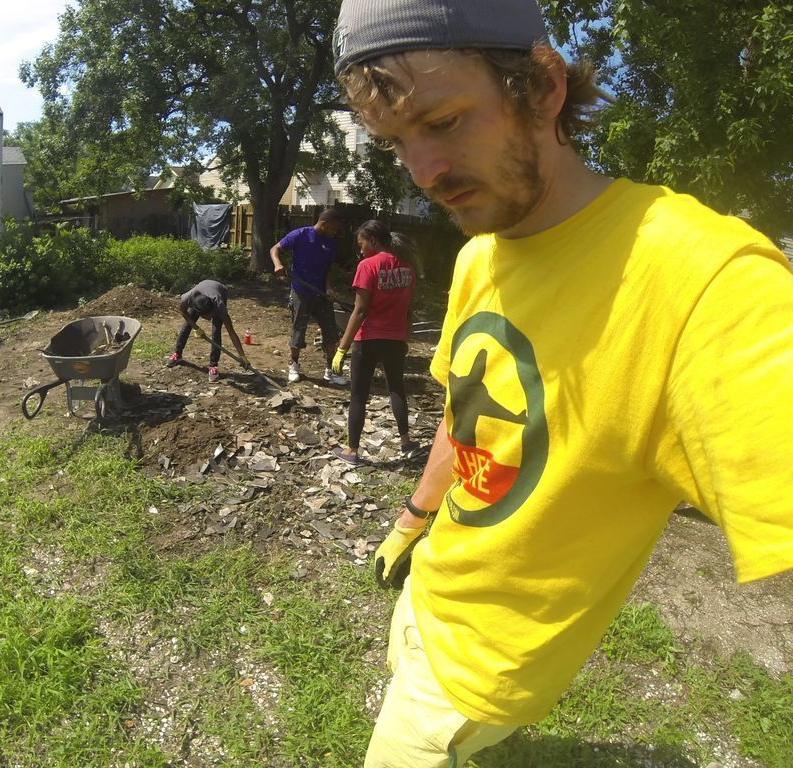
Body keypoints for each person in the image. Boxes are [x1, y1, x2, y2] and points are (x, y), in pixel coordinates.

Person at [332, 0, 793, 765]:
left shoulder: (708, 283)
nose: (424, 172)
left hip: (478, 674)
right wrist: (413, 522)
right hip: (428, 599)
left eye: (443, 122)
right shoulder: (483, 253)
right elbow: (466, 416)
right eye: (396, 143)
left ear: (542, 87)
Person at [331, 220, 419, 466]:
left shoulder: (367, 266)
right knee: (396, 389)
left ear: (373, 240)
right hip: (395, 338)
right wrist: (405, 337)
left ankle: (352, 451)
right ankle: (406, 441)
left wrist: (341, 348)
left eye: (361, 244)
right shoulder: (407, 268)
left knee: (359, 395)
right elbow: (409, 309)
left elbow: (359, 311)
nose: (360, 250)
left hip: (368, 339)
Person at [269, 208, 349, 385]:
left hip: (321, 294)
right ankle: (294, 365)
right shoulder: (300, 234)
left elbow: (330, 268)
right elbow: (275, 249)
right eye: (333, 229)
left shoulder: (330, 242)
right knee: (299, 329)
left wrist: (329, 287)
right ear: (324, 223)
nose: (335, 232)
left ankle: (331, 370)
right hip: (301, 291)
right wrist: (278, 264)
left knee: (330, 331)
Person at [165, 279, 249, 383]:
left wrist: (242, 355)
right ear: (199, 313)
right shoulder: (187, 299)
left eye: (212, 314)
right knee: (187, 325)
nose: (210, 318)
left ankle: (213, 366)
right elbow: (182, 311)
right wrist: (196, 327)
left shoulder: (219, 305)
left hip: (219, 290)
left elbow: (231, 332)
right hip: (201, 291)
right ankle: (177, 353)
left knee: (216, 331)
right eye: (208, 316)